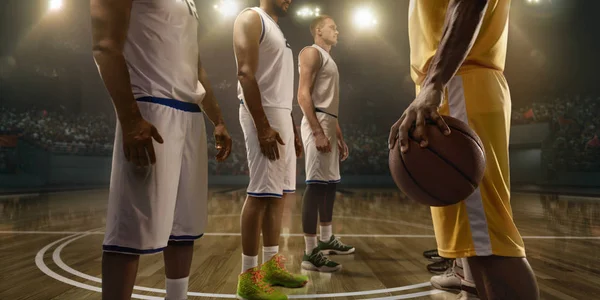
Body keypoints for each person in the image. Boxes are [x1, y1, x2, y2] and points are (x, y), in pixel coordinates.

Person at [389, 0, 540, 299]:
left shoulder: (449, 80)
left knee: (492, 248)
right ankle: (465, 279)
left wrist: (435, 81)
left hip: (457, 82)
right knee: (474, 250)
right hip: (454, 81)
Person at [90, 0, 232, 299]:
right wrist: (130, 120)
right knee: (130, 231)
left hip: (190, 113)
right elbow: (105, 47)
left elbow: (195, 64)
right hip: (151, 109)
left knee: (183, 228)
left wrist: (217, 119)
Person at [233, 0, 307, 299]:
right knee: (260, 193)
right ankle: (248, 278)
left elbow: (280, 85)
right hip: (261, 114)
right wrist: (263, 125)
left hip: (281, 116)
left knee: (280, 196)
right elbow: (245, 74)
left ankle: (271, 266)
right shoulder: (251, 18)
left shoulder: (277, 28)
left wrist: (292, 126)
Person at [297, 15, 353, 273]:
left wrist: (337, 133)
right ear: (318, 30)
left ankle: (327, 238)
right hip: (317, 121)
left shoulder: (329, 58)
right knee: (316, 186)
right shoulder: (311, 52)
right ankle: (309, 254)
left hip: (328, 121)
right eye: (333, 26)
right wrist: (318, 131)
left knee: (330, 185)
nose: (337, 30)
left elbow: (328, 101)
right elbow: (303, 95)